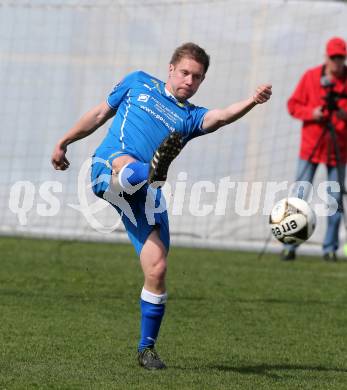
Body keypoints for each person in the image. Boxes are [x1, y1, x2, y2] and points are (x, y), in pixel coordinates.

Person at [51, 42, 272, 369]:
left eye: (197, 77)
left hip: (145, 195)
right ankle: (146, 172)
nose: (189, 81)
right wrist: (63, 142)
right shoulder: (137, 82)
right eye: (185, 72)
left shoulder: (191, 117)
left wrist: (253, 101)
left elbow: (222, 116)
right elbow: (99, 113)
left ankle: (147, 349)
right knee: (127, 164)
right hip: (108, 167)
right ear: (170, 69)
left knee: (158, 268)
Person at [281, 37, 347, 262]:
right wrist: (313, 113)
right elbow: (292, 105)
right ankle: (290, 245)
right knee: (299, 198)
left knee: (334, 202)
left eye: (341, 58)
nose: (338, 62)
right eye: (334, 57)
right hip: (310, 148)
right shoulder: (310, 77)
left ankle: (330, 248)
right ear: (326, 57)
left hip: (339, 150)